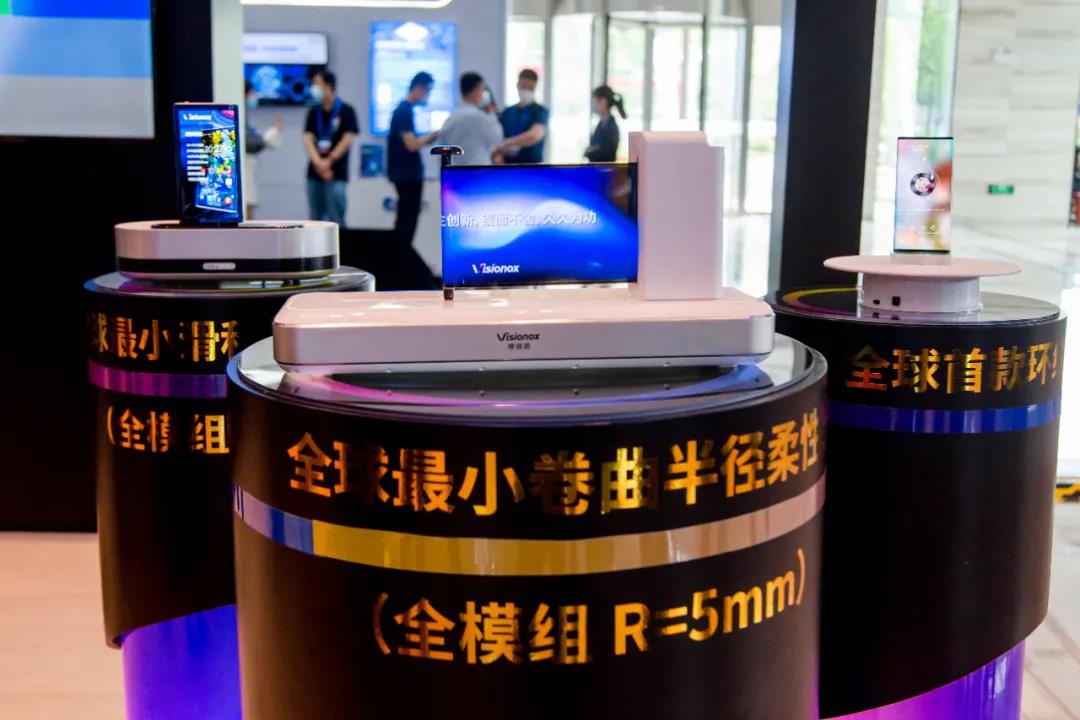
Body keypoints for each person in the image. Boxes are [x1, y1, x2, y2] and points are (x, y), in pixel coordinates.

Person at [387, 71, 440, 249]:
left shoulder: (405, 111)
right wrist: (432, 136)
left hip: (406, 175)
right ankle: (401, 257)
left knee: (406, 221)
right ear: (419, 88)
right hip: (407, 176)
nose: (428, 96)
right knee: (406, 223)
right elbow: (411, 145)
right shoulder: (404, 112)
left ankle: (401, 255)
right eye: (428, 91)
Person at [303, 70, 358, 227]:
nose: (314, 87)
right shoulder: (314, 112)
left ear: (329, 86)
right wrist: (319, 163)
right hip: (315, 173)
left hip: (337, 172)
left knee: (336, 217)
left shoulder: (346, 111)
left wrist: (328, 161)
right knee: (315, 218)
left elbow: (347, 140)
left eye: (317, 84)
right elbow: (308, 138)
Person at [437, 72, 504, 166]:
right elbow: (498, 139)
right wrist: (491, 114)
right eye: (483, 90)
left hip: (455, 171)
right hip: (478, 171)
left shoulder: (450, 119)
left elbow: (442, 149)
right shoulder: (482, 118)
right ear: (477, 89)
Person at [243, 81, 283, 219]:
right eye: (252, 93)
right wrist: (270, 134)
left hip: (250, 167)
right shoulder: (240, 115)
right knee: (247, 205)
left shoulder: (246, 116)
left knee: (250, 205)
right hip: (245, 170)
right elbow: (248, 143)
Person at [497, 68, 548, 164]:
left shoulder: (540, 111)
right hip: (508, 165)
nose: (526, 91)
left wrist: (508, 143)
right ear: (518, 86)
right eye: (524, 87)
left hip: (531, 166)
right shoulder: (507, 112)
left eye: (530, 88)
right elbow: (497, 135)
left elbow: (534, 135)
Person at [585, 85, 627, 163]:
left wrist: (591, 152)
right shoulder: (601, 124)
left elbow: (607, 153)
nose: (594, 105)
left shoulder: (612, 127)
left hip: (605, 168)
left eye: (596, 102)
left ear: (604, 101)